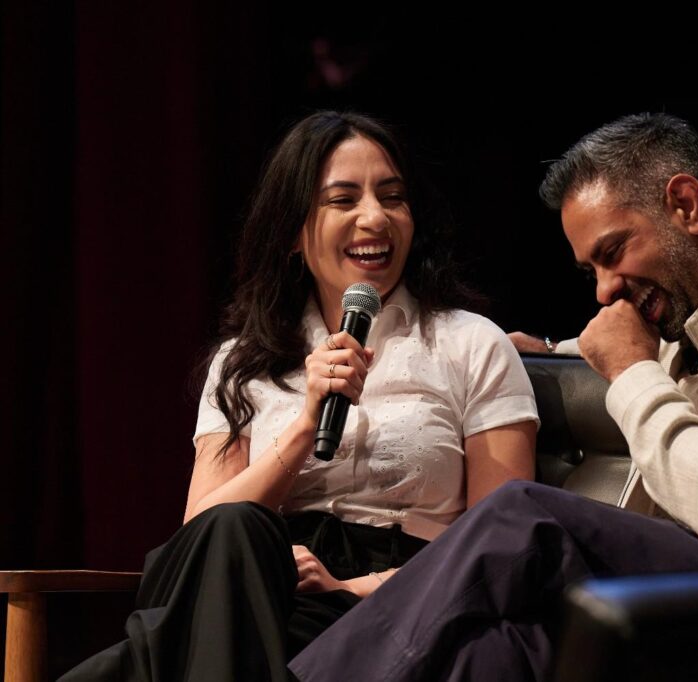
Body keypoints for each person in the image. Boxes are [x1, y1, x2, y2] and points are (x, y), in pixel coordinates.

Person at [289, 113, 698, 681]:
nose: (604, 290)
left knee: (525, 517)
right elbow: (650, 352)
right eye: (590, 270)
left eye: (613, 252)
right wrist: (553, 353)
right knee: (488, 653)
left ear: (685, 205)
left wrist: (631, 373)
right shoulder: (695, 307)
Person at [60, 111, 539, 681]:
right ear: (292, 231)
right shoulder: (242, 362)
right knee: (234, 530)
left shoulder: (470, 344)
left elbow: (500, 537)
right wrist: (305, 425)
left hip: (397, 597)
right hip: (260, 585)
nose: (374, 217)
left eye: (392, 196)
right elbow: (202, 534)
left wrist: (353, 586)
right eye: (343, 199)